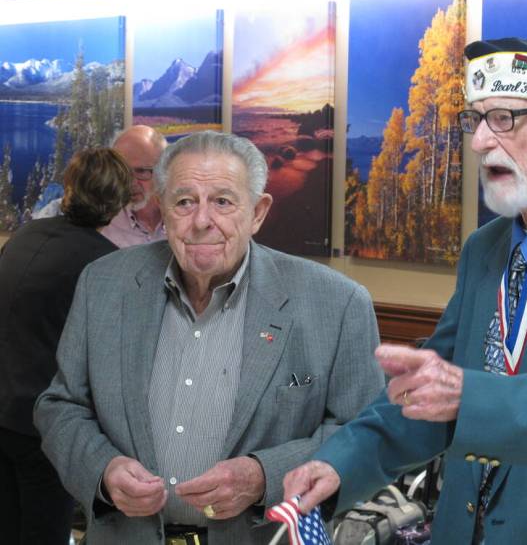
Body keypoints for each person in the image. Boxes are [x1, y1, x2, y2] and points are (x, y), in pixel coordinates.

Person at [283, 38, 527, 544]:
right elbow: (433, 393)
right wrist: (340, 464)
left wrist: (470, 397)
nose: (479, 143)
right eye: (476, 120)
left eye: (505, 119)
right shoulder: (484, 249)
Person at [35, 131, 384, 545]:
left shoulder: (336, 303)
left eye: (222, 201)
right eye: (184, 202)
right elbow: (60, 406)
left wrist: (264, 477)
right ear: (162, 209)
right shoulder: (103, 284)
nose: (202, 221)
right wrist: (103, 470)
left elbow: (365, 434)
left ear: (257, 212)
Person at [0, 148, 132, 545]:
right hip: (43, 424)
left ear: (70, 187)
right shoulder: (105, 265)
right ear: (120, 203)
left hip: (5, 410)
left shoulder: (25, 235)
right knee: (45, 532)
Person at [101, 124, 169, 247]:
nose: (130, 183)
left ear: (164, 170)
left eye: (141, 171)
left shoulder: (183, 219)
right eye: (123, 172)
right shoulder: (104, 225)